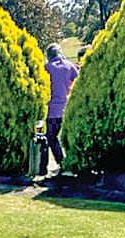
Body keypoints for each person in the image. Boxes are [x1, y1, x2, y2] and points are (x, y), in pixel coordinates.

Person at [44, 42, 79, 174]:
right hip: (67, 107)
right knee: (68, 138)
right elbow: (78, 81)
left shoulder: (47, 68)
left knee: (51, 137)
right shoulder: (69, 66)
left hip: (52, 110)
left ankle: (60, 162)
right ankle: (70, 162)